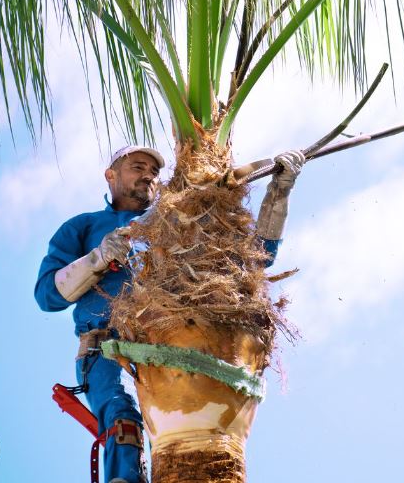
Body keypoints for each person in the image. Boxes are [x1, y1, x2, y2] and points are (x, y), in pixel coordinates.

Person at [34, 145, 304, 483]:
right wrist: (99, 258)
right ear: (111, 175)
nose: (148, 175)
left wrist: (279, 192)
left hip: (173, 344)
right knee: (123, 417)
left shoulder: (176, 220)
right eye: (137, 166)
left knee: (189, 430)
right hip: (109, 346)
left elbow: (256, 259)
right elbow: (48, 296)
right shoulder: (84, 227)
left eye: (153, 170)